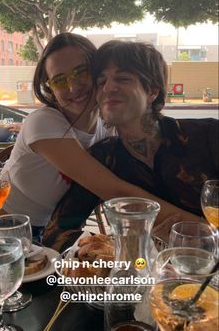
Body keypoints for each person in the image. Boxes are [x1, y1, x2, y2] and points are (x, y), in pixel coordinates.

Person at [43, 40, 218, 251]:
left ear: (152, 90)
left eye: (122, 78)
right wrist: (122, 249)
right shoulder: (104, 159)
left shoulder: (208, 135)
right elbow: (55, 233)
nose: (108, 88)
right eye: (101, 82)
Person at [0, 33, 181, 236]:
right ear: (50, 88)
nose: (73, 87)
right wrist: (194, 226)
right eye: (59, 80)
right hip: (5, 225)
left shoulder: (107, 125)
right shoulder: (43, 121)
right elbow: (114, 190)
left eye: (81, 72)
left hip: (51, 229)